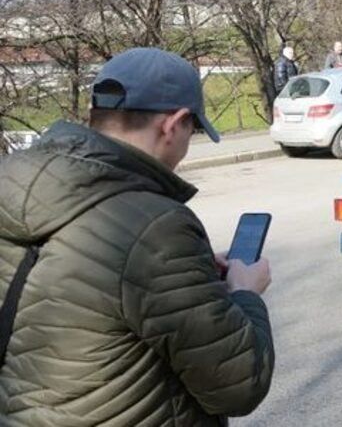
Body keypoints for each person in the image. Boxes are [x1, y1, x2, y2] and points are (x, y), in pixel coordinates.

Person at [0, 48, 274, 424]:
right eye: (192, 130)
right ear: (172, 124)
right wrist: (245, 292)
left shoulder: (16, 184)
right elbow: (238, 384)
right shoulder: (157, 228)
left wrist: (191, 280)